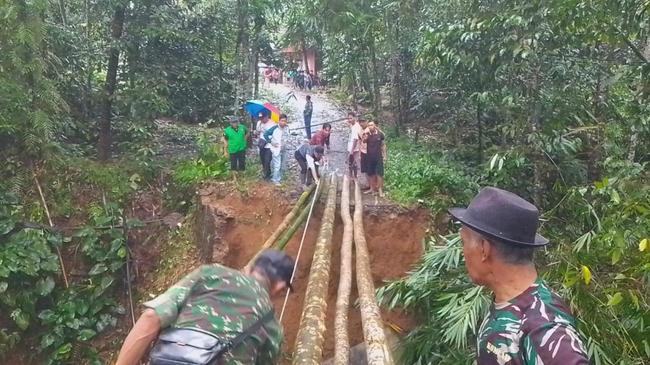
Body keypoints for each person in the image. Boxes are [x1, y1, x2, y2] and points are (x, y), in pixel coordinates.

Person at [449, 187, 590, 365]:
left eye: (464, 242)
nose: (463, 253)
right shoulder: (506, 303)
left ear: (484, 249)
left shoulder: (543, 327)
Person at [115, 249, 295, 365]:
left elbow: (151, 317)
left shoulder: (212, 274)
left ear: (250, 269)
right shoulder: (272, 326)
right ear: (280, 286)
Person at [363, 122, 386, 197]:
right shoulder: (367, 134)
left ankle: (380, 190)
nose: (370, 126)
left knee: (379, 174)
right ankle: (372, 189)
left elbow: (383, 145)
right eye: (369, 125)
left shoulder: (380, 134)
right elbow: (364, 141)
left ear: (375, 126)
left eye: (371, 125)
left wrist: (385, 156)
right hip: (369, 157)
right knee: (371, 174)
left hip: (378, 157)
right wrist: (365, 136)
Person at [268, 114, 290, 185]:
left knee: (282, 165)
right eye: (282, 121)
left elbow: (288, 136)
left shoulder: (287, 128)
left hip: (284, 148)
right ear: (279, 121)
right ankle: (275, 180)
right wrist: (271, 142)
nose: (283, 122)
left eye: (285, 121)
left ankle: (279, 178)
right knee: (277, 165)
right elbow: (266, 134)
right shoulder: (274, 128)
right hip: (276, 149)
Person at [255, 112, 274, 180]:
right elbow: (258, 132)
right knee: (262, 159)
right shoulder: (259, 123)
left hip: (269, 145)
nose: (262, 120)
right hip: (261, 144)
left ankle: (267, 175)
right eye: (260, 118)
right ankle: (266, 172)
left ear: (267, 116)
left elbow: (274, 135)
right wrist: (256, 133)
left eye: (263, 118)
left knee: (267, 160)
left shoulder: (272, 124)